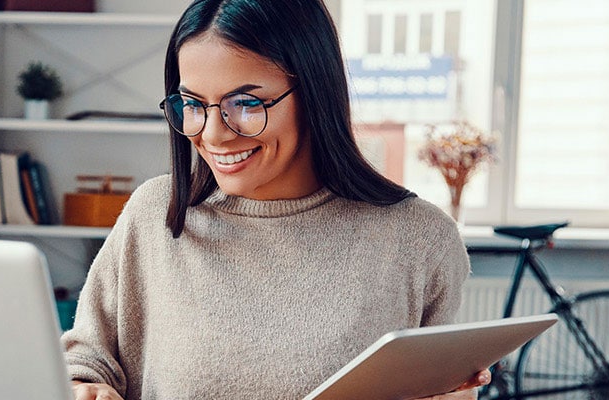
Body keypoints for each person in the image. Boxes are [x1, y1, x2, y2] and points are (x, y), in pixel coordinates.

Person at [61, 0, 486, 399]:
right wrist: (83, 387)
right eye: (193, 103)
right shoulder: (154, 215)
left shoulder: (419, 238)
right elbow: (85, 361)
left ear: (314, 94)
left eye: (245, 103)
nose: (212, 135)